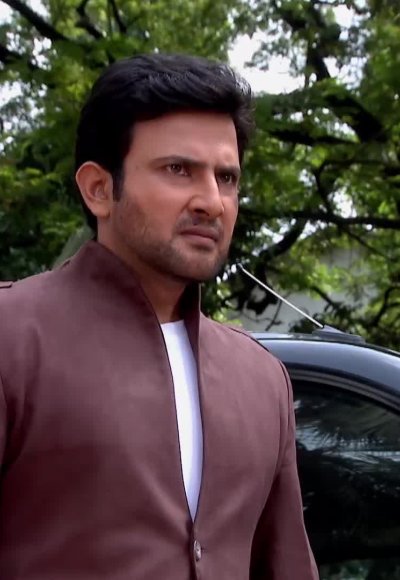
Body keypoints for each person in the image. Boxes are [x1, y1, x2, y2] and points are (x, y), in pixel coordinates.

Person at [0, 53, 318, 579]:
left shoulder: (262, 380)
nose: (212, 202)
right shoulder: (13, 338)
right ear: (99, 188)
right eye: (178, 170)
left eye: (227, 178)